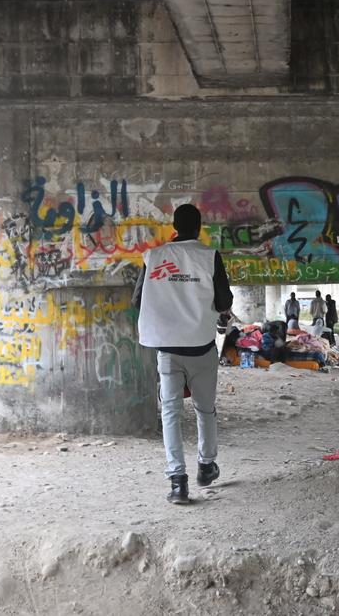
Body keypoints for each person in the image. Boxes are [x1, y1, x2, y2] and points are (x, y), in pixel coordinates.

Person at [132, 204, 232, 505]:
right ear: (199, 227)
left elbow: (138, 300)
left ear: (174, 226)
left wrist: (168, 308)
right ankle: (205, 466)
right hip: (201, 347)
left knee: (171, 414)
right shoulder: (209, 256)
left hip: (167, 350)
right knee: (205, 410)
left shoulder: (153, 257)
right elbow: (224, 299)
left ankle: (177, 483)